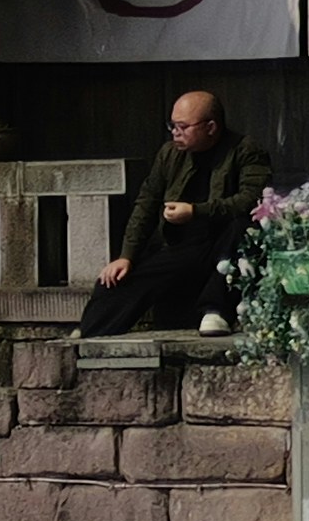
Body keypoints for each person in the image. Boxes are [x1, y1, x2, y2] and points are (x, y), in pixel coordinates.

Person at [83, 81, 268, 337]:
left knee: (244, 228)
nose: (175, 133)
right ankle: (90, 330)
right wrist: (127, 255)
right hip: (181, 244)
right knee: (117, 280)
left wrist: (195, 211)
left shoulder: (245, 151)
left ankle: (215, 311)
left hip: (223, 242)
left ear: (211, 127)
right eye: (172, 126)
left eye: (183, 127)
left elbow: (251, 201)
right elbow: (147, 203)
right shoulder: (169, 154)